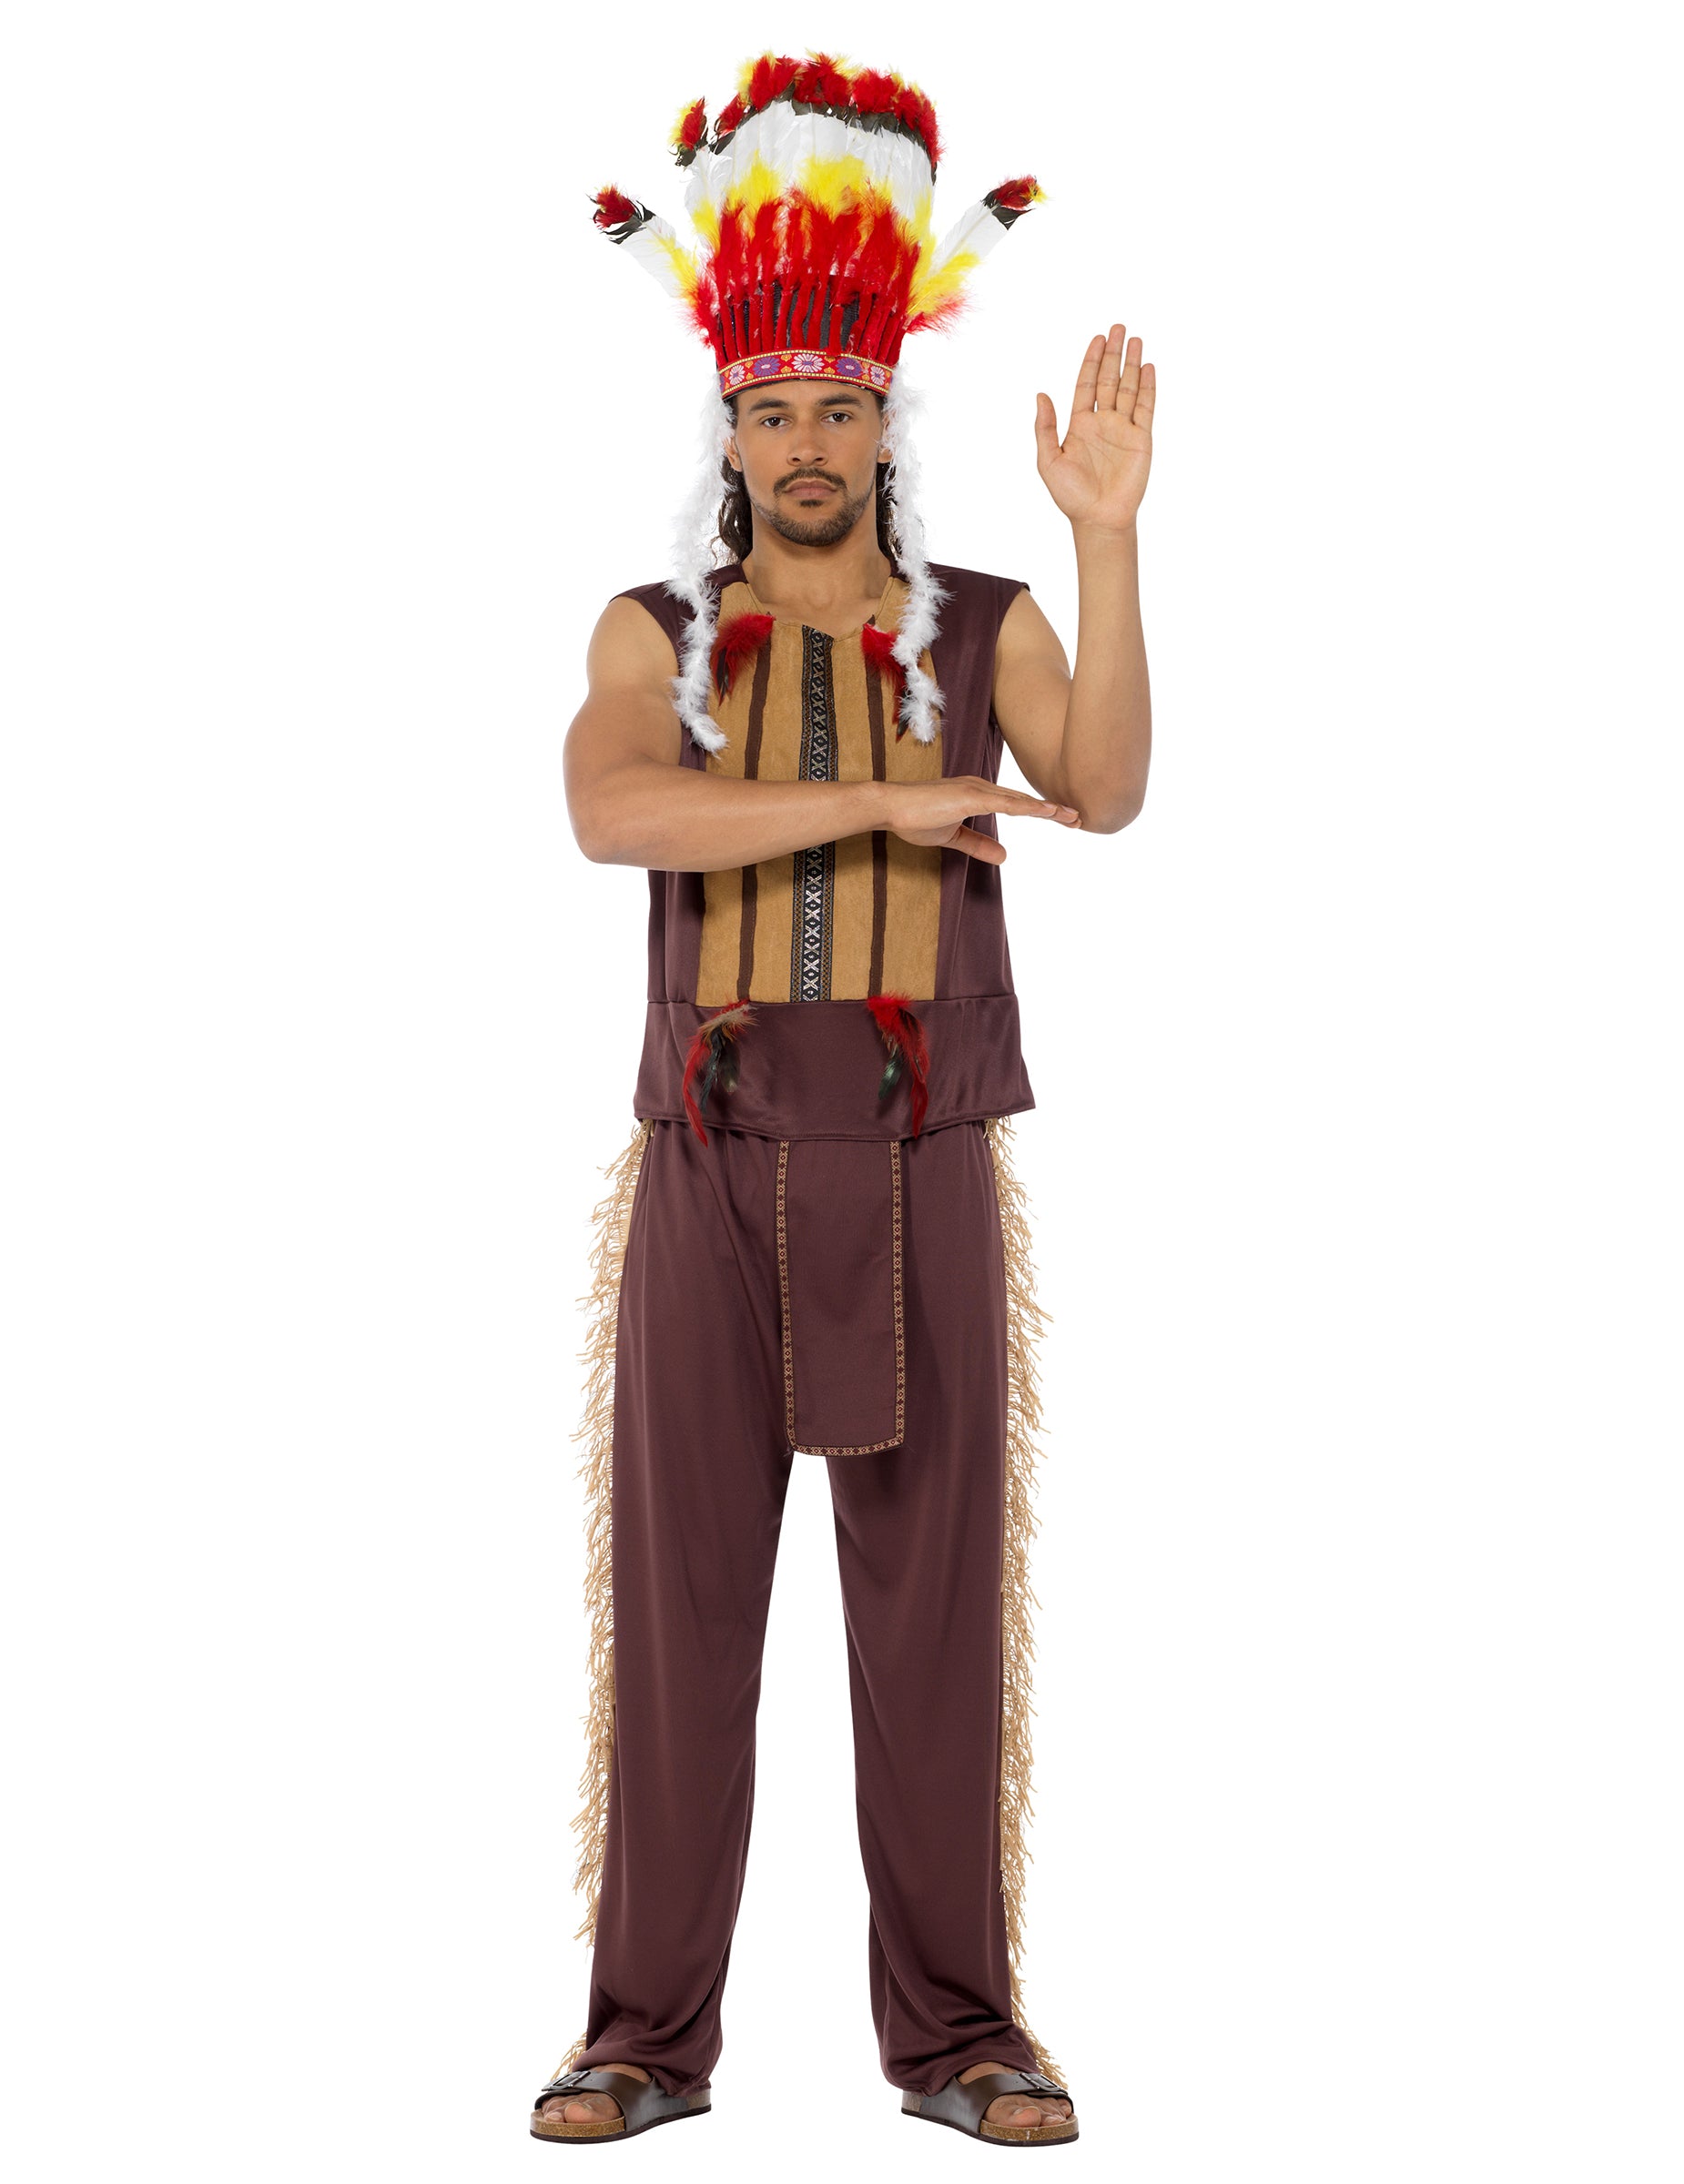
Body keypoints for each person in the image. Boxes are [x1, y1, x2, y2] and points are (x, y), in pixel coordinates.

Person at [529, 50, 1151, 2149]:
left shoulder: (982, 626)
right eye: (775, 409)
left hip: (920, 1159)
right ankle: (640, 2034)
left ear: (888, 422)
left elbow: (1103, 787)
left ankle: (964, 2032)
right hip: (709, 1163)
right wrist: (882, 801)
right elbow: (617, 814)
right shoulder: (655, 635)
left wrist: (1108, 543)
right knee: (682, 1618)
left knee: (935, 1616)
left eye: (840, 408)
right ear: (732, 432)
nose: (807, 441)